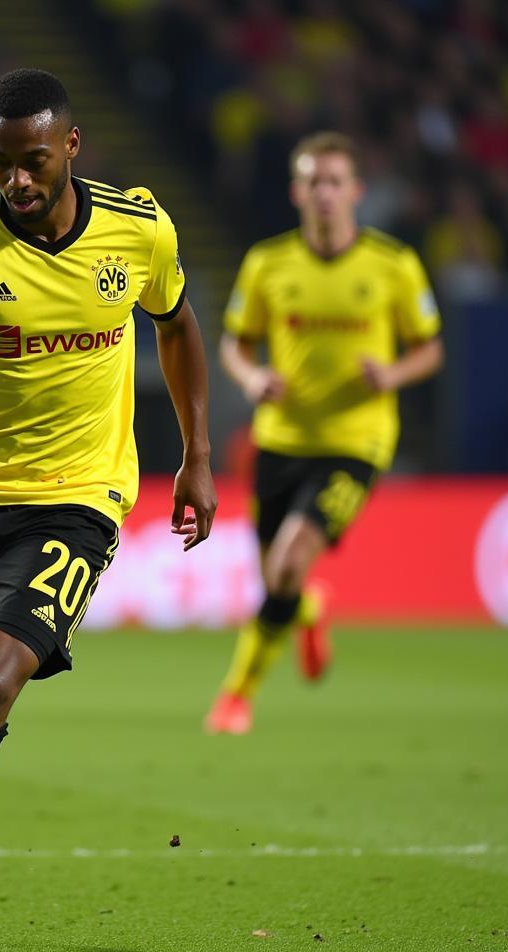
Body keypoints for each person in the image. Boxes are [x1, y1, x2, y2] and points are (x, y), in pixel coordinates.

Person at [0, 68, 217, 952]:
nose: (14, 181)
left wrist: (197, 456)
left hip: (76, 501)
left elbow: (175, 325)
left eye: (29, 161)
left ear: (70, 147)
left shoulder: (141, 232)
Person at [205, 131, 444, 736]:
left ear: (356, 191)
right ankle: (310, 609)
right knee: (277, 585)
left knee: (287, 562)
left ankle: (236, 696)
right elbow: (234, 342)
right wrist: (252, 375)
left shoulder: (393, 265)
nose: (325, 193)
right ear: (296, 191)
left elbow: (431, 348)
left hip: (355, 441)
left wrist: (392, 372)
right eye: (314, 181)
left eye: (336, 181)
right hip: (281, 438)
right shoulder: (268, 264)